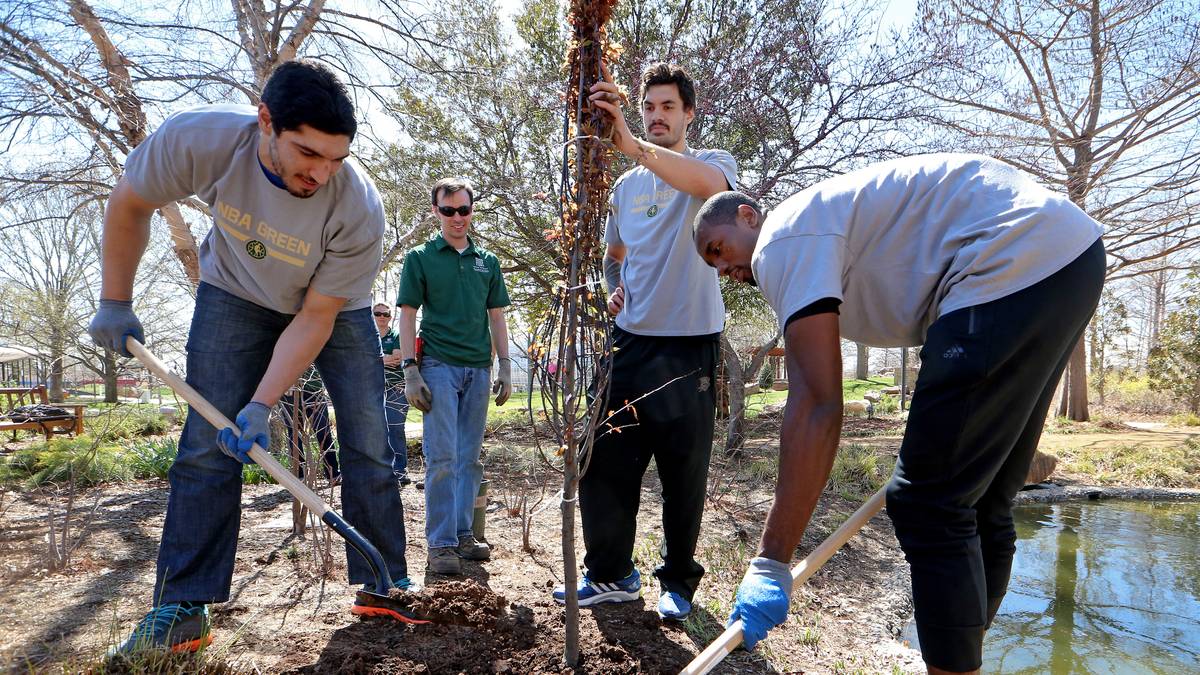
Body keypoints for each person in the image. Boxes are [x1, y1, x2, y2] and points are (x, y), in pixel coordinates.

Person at [692, 153, 1104, 674]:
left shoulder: (782, 240)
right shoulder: (822, 224)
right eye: (715, 268)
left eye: (719, 249)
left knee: (928, 503)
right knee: (979, 504)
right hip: (1069, 257)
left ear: (749, 215)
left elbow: (818, 401)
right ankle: (962, 662)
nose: (726, 270)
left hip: (1007, 259)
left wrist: (771, 560)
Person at [88, 60, 414, 655]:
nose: (321, 171)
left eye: (335, 158)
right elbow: (130, 202)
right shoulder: (200, 142)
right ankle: (184, 607)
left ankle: (383, 583)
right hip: (235, 292)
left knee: (367, 438)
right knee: (204, 448)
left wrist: (262, 403)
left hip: (333, 309)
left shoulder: (358, 206)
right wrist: (115, 301)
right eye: (307, 152)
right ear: (266, 121)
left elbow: (315, 316)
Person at [552, 62, 737, 622]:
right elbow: (614, 259)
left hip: (690, 350)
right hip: (628, 348)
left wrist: (630, 143)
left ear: (688, 114)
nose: (657, 117)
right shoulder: (625, 189)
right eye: (649, 107)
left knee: (684, 475)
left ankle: (678, 581)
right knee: (604, 465)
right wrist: (611, 291)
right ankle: (611, 574)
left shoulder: (712, 166)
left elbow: (711, 192)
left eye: (668, 108)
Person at [396, 177, 512, 576]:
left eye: (464, 209)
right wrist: (411, 370)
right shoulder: (420, 258)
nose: (457, 217)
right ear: (435, 212)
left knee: (469, 458)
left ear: (471, 210)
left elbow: (496, 315)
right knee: (443, 456)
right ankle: (441, 543)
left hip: (478, 369)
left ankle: (464, 533)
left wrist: (506, 366)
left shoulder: (488, 261)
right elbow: (407, 314)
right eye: (449, 210)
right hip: (438, 366)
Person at [279, 365, 340, 483]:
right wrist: (285, 378)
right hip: (289, 390)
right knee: (294, 432)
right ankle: (300, 477)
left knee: (323, 430)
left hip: (314, 387)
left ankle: (333, 474)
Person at [374, 302, 411, 485]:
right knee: (376, 430)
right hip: (373, 388)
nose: (381, 317)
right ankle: (382, 471)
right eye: (377, 313)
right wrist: (383, 359)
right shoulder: (367, 336)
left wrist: (376, 359)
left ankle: (400, 470)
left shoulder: (396, 334)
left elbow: (397, 358)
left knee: (396, 428)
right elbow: (363, 360)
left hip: (396, 387)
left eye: (385, 314)